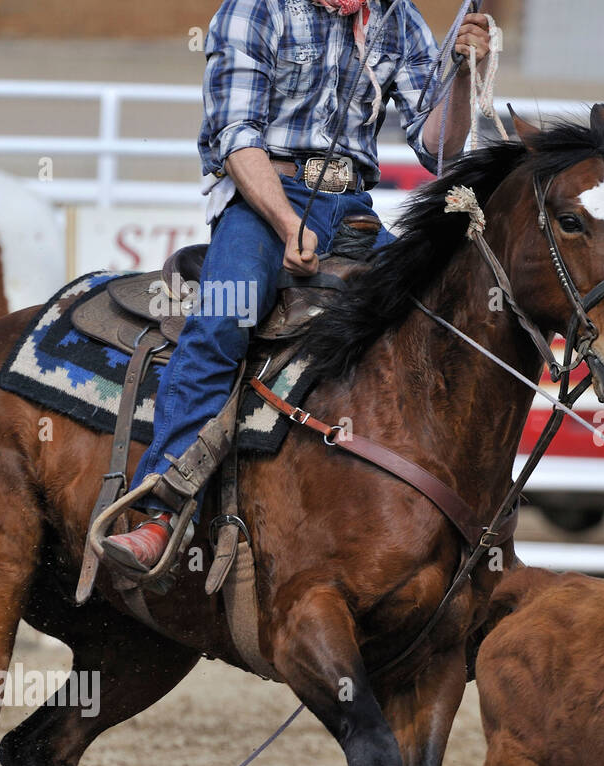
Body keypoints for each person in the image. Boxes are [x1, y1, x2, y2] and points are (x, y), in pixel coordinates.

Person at [103, 0, 491, 572]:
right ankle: (160, 507)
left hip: (353, 207)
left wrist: (459, 72)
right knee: (225, 320)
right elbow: (236, 138)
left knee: (434, 314)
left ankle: (444, 512)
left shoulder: (395, 16)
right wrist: (288, 223)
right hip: (261, 204)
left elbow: (438, 149)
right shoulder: (256, 9)